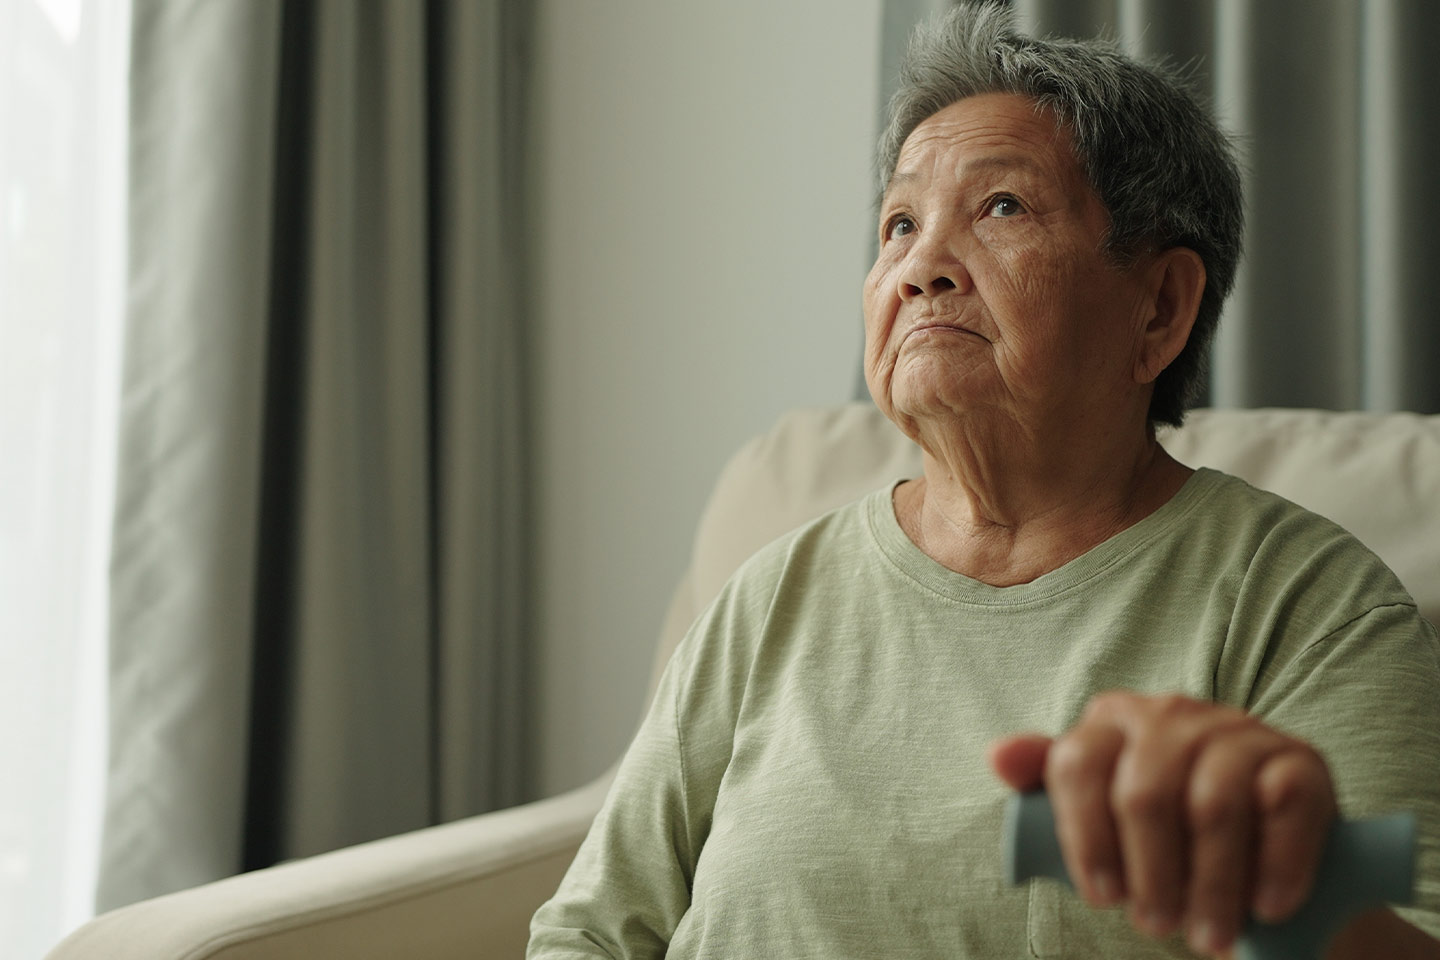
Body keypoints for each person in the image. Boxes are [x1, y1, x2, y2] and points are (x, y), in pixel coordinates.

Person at [527, 5, 1440, 958]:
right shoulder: (771, 598)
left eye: (1002, 206)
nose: (919, 267)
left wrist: (1293, 898)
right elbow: (591, 932)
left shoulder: (1306, 603)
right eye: (899, 223)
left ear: (1161, 309)